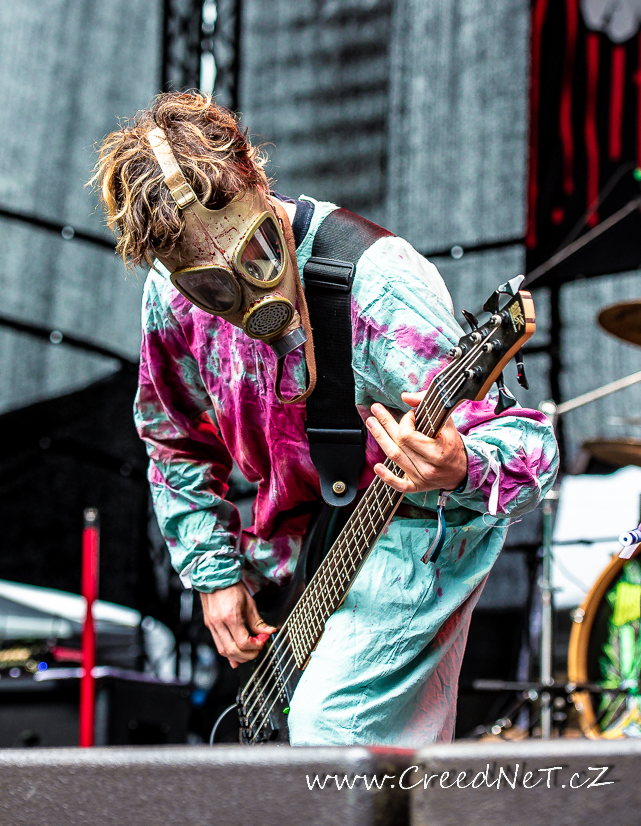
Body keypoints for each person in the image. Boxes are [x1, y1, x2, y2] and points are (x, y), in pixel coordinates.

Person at [92, 91, 558, 746]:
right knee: (268, 753)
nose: (251, 295)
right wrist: (215, 574)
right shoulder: (169, 298)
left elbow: (530, 449)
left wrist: (460, 465)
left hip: (414, 524)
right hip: (302, 542)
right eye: (214, 287)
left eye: (255, 253)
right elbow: (175, 442)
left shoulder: (380, 284)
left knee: (328, 729)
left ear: (255, 175)